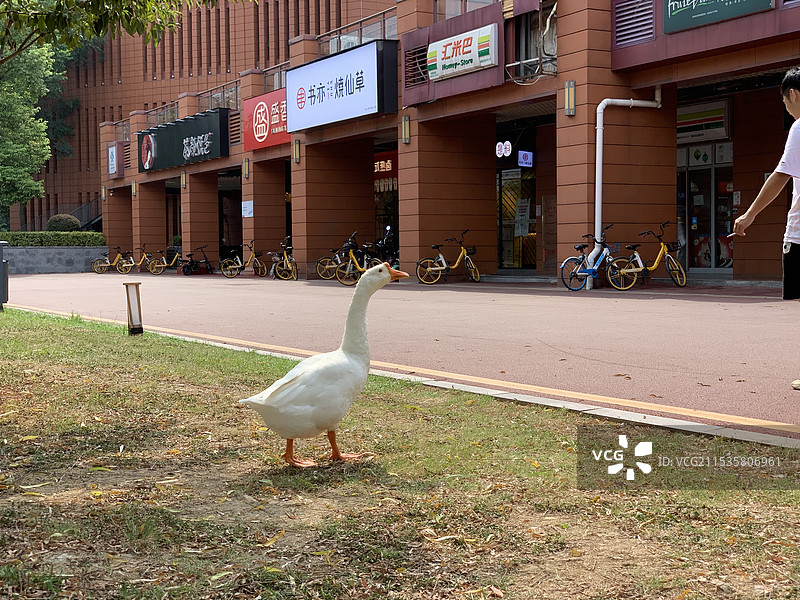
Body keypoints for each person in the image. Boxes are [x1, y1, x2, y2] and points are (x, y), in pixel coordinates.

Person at [732, 66, 800, 390]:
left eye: (784, 102)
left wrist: (749, 215)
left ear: (794, 95)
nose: (785, 108)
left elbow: (779, 177)